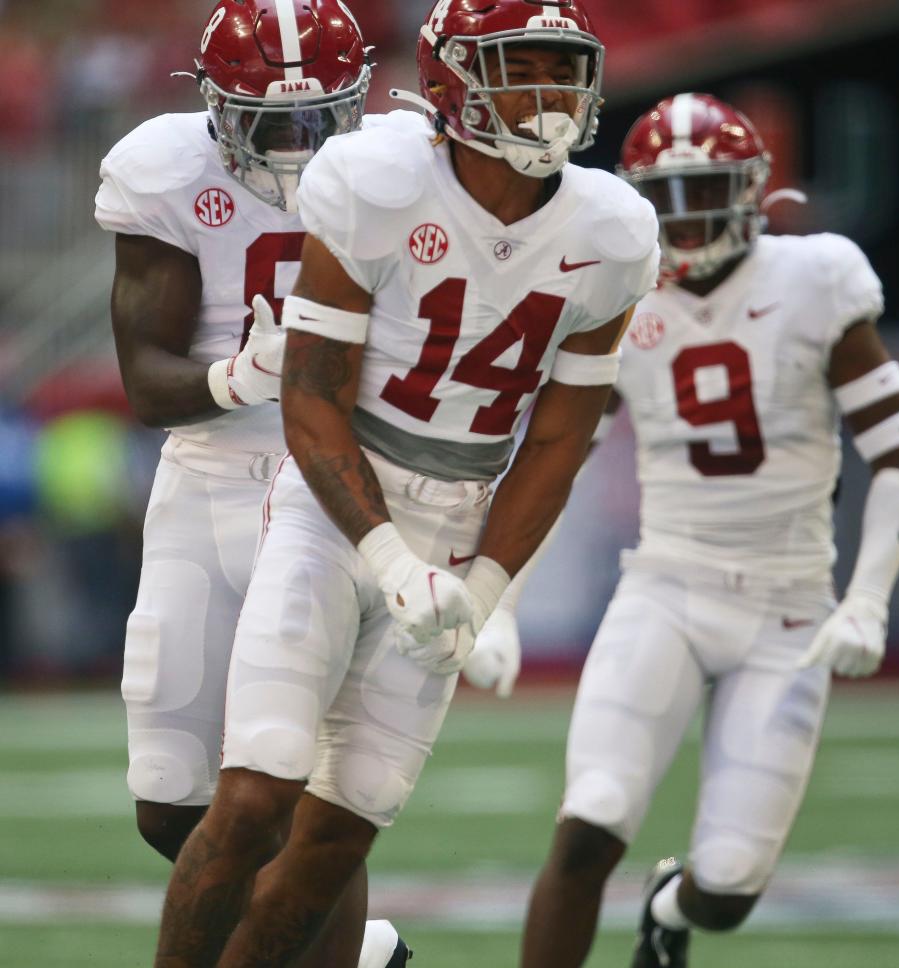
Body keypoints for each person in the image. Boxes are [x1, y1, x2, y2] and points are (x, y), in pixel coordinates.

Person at [151, 1, 661, 965]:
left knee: (340, 836)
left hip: (462, 515)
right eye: (523, 67)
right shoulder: (378, 182)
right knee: (257, 796)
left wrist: (485, 590)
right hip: (335, 506)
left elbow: (558, 438)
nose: (552, 92)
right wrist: (385, 555)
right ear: (451, 82)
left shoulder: (614, 230)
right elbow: (311, 399)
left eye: (565, 67)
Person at [520, 92, 899, 968]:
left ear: (749, 191)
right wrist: (495, 593)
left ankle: (673, 903)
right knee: (590, 818)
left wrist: (867, 601)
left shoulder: (814, 277)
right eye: (665, 195)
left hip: (788, 608)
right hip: (665, 586)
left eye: (704, 189)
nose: (684, 215)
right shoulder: (617, 291)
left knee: (731, 888)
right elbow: (559, 459)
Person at [95, 2, 409, 965]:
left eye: (317, 118)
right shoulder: (166, 169)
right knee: (169, 801)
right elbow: (146, 380)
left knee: (299, 793)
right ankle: (364, 954)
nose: (295, 144)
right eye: (266, 120)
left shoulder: (412, 171)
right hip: (209, 477)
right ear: (210, 106)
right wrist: (240, 375)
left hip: (329, 485)